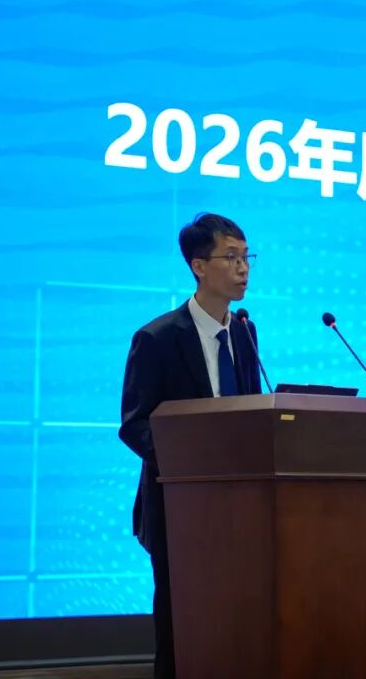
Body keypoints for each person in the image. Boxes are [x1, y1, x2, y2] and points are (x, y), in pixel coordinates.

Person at [118, 213, 263, 679]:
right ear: (199, 266)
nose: (243, 267)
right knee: (180, 631)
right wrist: (193, 464)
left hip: (238, 508)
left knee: (233, 628)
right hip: (178, 508)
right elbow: (135, 425)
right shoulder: (157, 338)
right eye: (231, 257)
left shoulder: (244, 331)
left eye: (247, 257)